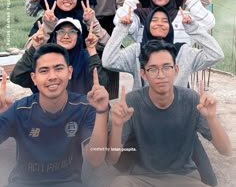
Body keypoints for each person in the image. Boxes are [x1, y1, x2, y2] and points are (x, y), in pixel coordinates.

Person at [107, 41, 232, 187]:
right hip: (143, 178)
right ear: (143, 74)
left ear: (176, 70)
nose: (161, 75)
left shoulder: (191, 100)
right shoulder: (132, 102)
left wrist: (212, 118)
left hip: (185, 179)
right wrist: (116, 125)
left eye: (167, 67)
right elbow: (111, 159)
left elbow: (226, 150)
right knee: (119, 183)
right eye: (153, 69)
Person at [0, 43, 109, 187]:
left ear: (69, 72)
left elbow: (96, 159)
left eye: (58, 69)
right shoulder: (20, 109)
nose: (52, 77)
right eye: (44, 71)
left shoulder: (84, 107)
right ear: (34, 78)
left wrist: (101, 111)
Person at [102, 6, 223, 90]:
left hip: (178, 115)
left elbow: (216, 54)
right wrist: (121, 29)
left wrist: (193, 28)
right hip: (143, 114)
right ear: (147, 25)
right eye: (154, 20)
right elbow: (109, 61)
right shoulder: (137, 51)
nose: (159, 23)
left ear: (170, 27)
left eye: (165, 21)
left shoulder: (183, 52)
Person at [10, 17, 109, 93]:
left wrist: (92, 50)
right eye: (61, 31)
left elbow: (102, 84)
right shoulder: (44, 58)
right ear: (55, 36)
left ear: (79, 37)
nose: (66, 36)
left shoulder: (86, 57)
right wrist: (34, 47)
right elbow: (17, 77)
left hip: (80, 111)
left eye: (72, 32)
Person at [114, 0, 215, 44]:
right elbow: (119, 21)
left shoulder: (184, 17)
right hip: (145, 72)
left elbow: (208, 22)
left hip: (178, 72)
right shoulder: (140, 16)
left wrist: (190, 0)